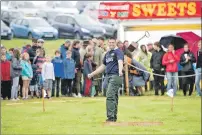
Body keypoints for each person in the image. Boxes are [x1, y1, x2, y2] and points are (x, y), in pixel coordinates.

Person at [88, 37, 124, 122]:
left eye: (113, 42)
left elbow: (120, 61)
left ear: (115, 43)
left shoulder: (118, 51)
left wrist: (120, 71)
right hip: (108, 76)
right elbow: (103, 66)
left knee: (110, 95)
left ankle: (110, 117)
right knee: (113, 97)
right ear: (108, 43)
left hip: (115, 76)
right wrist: (92, 74)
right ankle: (113, 117)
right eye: (110, 42)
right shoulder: (107, 53)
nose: (111, 44)